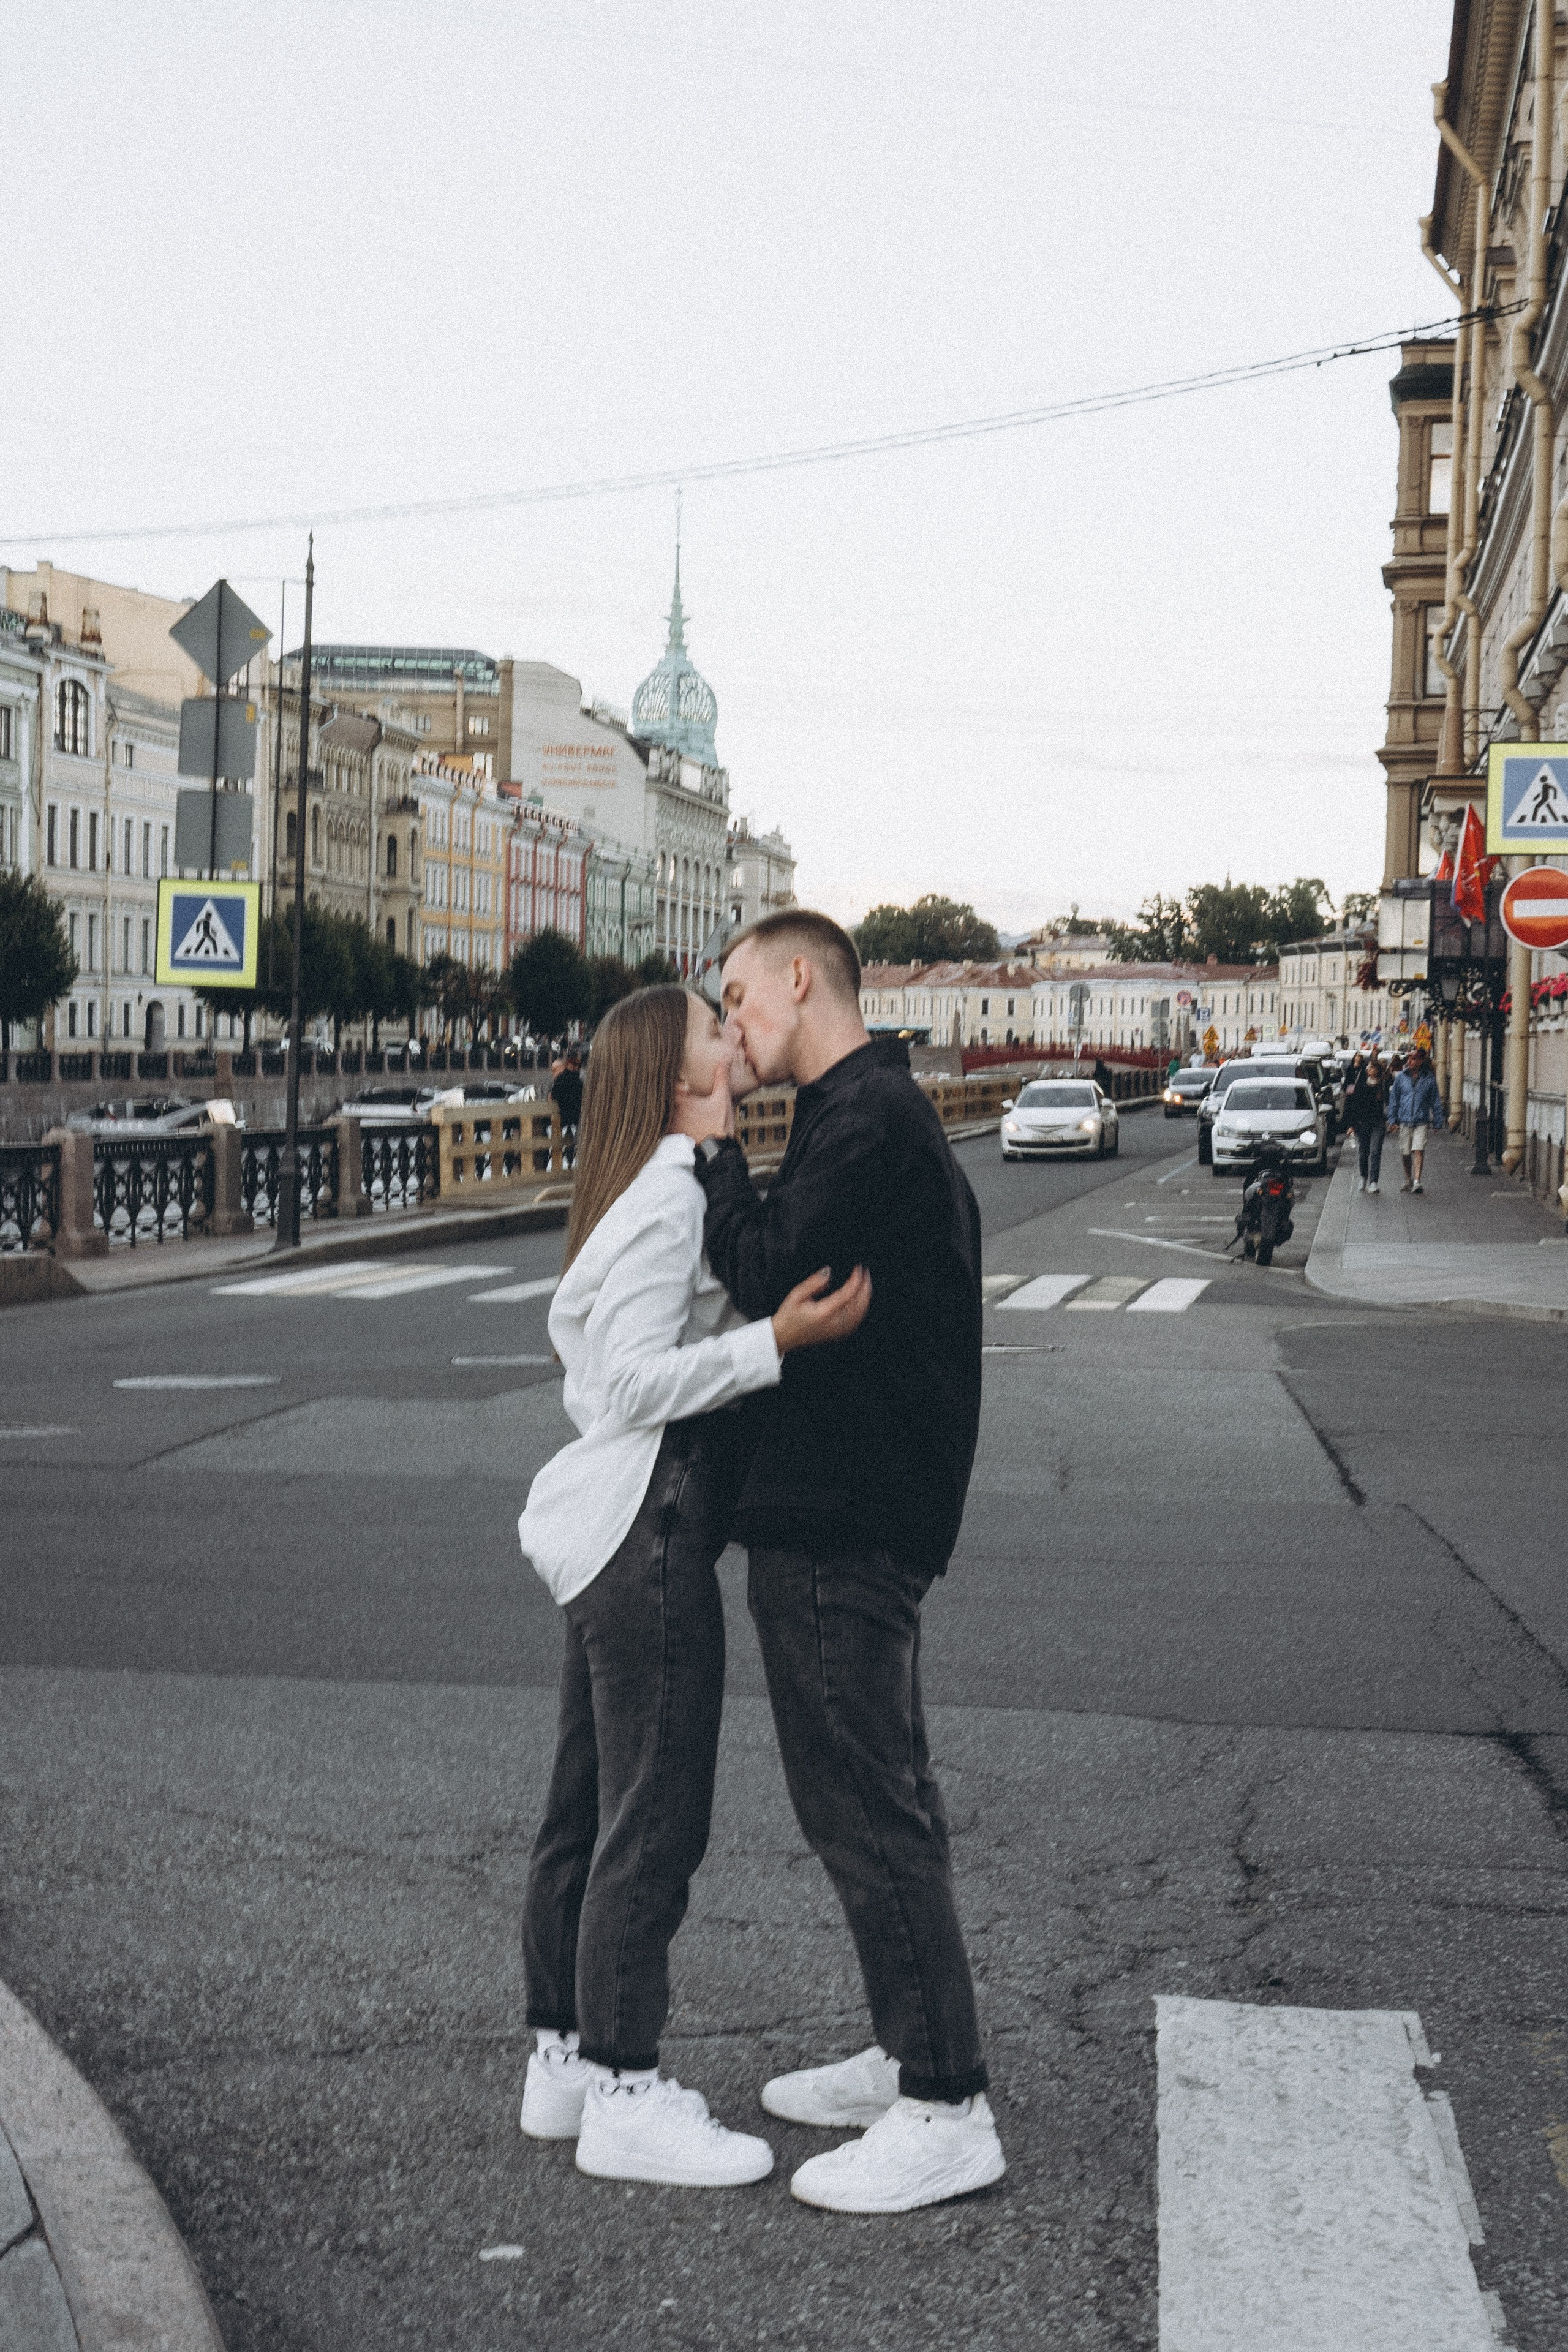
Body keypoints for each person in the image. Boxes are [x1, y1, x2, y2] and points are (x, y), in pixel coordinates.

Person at [516, 985, 870, 2189]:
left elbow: (592, 1369)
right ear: (681, 1078)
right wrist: (777, 1342)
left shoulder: (656, 1187)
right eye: (716, 1027)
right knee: (654, 1815)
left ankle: (564, 2060)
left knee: (587, 1808)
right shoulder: (671, 1196)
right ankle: (625, 2087)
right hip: (652, 1527)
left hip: (618, 1531)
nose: (736, 1034)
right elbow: (625, 1383)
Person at [687, 908, 1006, 2217]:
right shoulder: (866, 1112)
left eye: (735, 997)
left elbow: (769, 1271)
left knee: (865, 1813)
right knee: (890, 1800)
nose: (729, 1025)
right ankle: (905, 2050)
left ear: (799, 977)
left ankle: (943, 2106)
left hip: (841, 1513)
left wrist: (715, 1153)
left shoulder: (864, 1120)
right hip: (863, 1503)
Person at [1387, 1046, 1444, 1193]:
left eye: (1413, 1059)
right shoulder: (1401, 1077)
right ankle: (1408, 1179)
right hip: (1405, 1120)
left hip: (1421, 1120)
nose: (1409, 1062)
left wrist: (1438, 1120)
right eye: (1408, 1059)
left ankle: (1417, 1181)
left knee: (1419, 1150)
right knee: (1406, 1153)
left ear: (1420, 1061)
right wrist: (1392, 1119)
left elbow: (1435, 1101)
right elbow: (1394, 1099)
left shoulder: (1429, 1079)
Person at [1345, 1048, 1390, 1193]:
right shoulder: (1360, 1084)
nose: (1369, 1069)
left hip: (1378, 1123)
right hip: (1362, 1124)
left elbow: (1389, 1102)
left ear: (1377, 1071)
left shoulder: (1382, 1085)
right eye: (1368, 1067)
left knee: (1375, 1151)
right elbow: (1352, 1105)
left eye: (1372, 1068)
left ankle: (1373, 1182)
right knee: (1363, 1152)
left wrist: (1391, 1120)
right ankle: (1363, 1176)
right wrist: (1351, 1125)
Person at [551, 1048, 583, 1167]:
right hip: (577, 1120)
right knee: (575, 1148)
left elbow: (553, 1096)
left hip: (565, 1120)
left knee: (566, 1148)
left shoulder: (561, 1080)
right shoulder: (579, 1081)